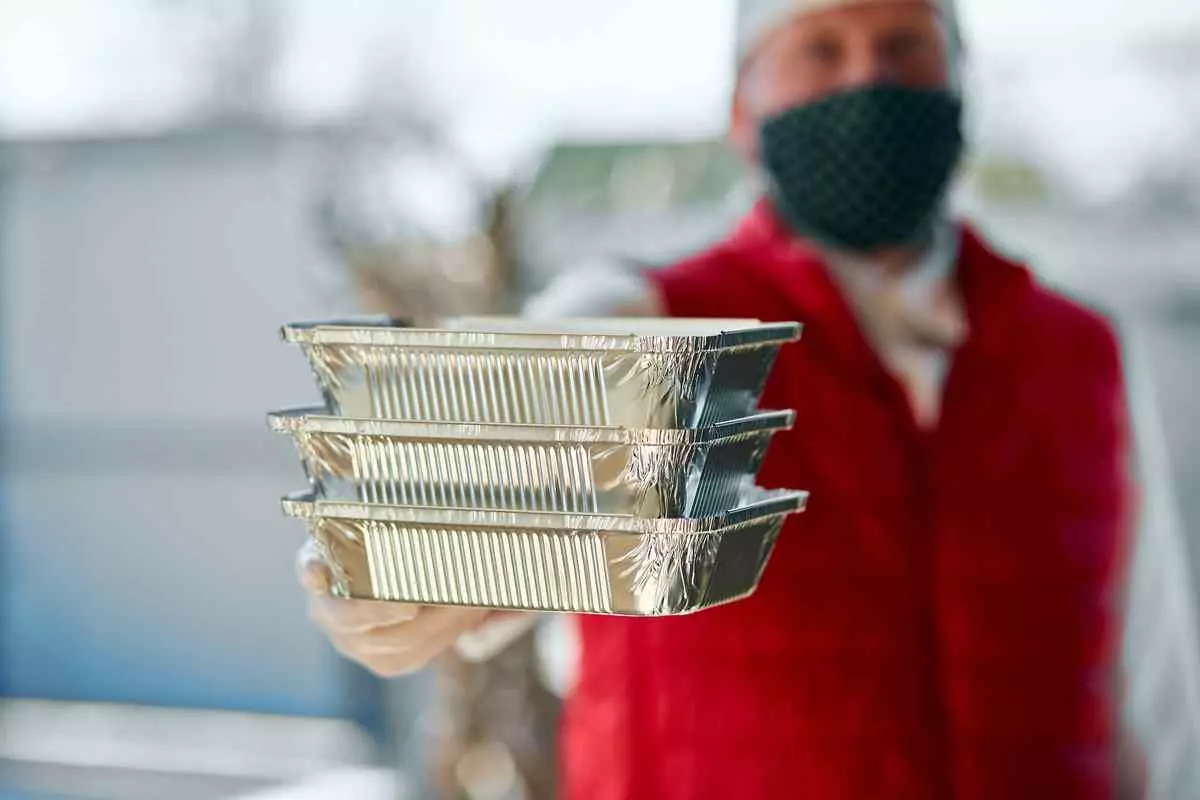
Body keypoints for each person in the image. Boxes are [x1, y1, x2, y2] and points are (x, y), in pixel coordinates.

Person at [300, 1, 1200, 796]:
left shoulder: (1083, 356)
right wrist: (401, 565)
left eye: (903, 43)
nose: (868, 79)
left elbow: (1156, 697)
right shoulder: (656, 326)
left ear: (961, 83)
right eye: (819, 49)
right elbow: (516, 440)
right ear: (743, 114)